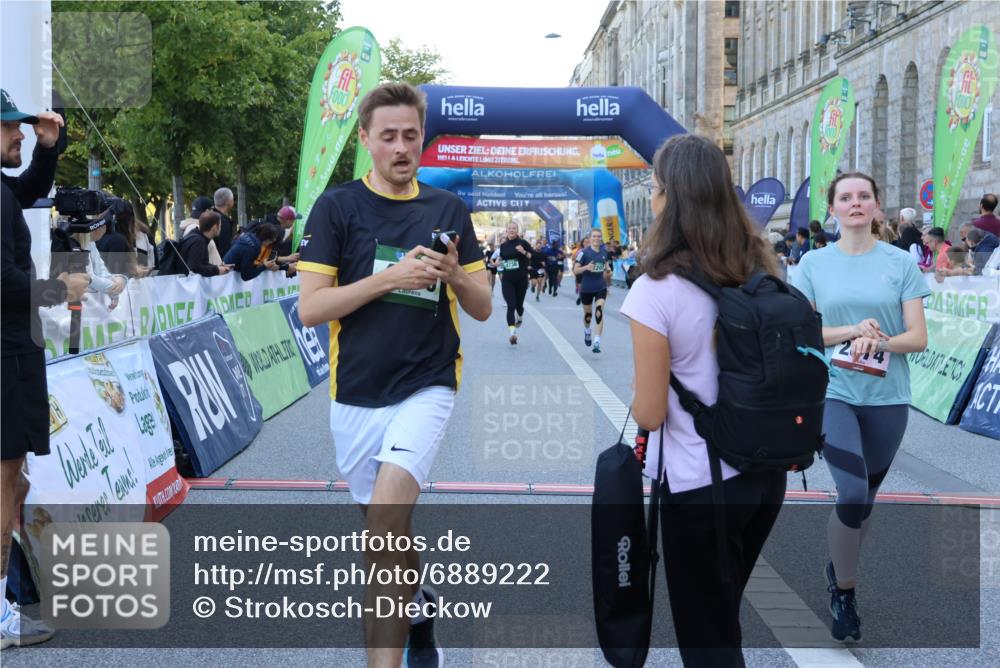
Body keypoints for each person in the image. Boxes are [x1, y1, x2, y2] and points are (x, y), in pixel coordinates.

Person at [296, 82, 490, 668]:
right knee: (388, 536)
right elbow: (311, 309)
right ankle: (419, 609)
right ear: (365, 139)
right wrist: (391, 278)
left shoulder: (447, 210)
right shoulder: (337, 208)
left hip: (427, 385)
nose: (401, 147)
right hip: (355, 394)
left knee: (382, 526)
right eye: (388, 136)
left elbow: (482, 306)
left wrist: (456, 276)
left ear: (423, 137)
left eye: (411, 135)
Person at [622, 134, 785, 667]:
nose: (652, 197)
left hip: (700, 483)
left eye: (655, 187)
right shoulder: (757, 267)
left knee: (707, 642)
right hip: (764, 472)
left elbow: (649, 414)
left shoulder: (656, 289)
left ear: (671, 198)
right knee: (722, 620)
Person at [792, 171, 929, 643]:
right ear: (832, 208)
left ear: (875, 205)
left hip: (888, 398)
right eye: (846, 197)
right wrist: (853, 331)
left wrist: (881, 341)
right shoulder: (812, 263)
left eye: (864, 196)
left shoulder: (900, 262)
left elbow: (918, 337)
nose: (855, 203)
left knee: (864, 502)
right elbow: (803, 332)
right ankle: (845, 593)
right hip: (833, 392)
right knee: (850, 492)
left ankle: (839, 567)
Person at [2, 90, 89, 649]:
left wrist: (48, 149)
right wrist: (61, 288)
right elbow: (2, 283)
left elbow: (27, 190)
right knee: (5, 484)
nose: (19, 133)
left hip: (12, 352)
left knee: (15, 483)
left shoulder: (1, 189)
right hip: (7, 356)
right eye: (9, 127)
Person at [573, 229, 612, 353]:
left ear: (601, 238)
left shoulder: (604, 252)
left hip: (600, 287)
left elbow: (606, 265)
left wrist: (608, 269)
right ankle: (587, 330)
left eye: (599, 236)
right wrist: (586, 267)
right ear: (590, 238)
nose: (596, 238)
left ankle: (597, 342)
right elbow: (575, 270)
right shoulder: (583, 253)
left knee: (599, 310)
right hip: (587, 288)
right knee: (588, 315)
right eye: (594, 236)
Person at [496, 222, 533, 345]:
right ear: (506, 230)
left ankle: (520, 316)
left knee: (519, 306)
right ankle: (512, 333)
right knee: (511, 305)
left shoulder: (523, 243)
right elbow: (501, 257)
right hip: (507, 280)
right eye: (510, 228)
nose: (512, 230)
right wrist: (498, 261)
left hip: (521, 279)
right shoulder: (503, 246)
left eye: (514, 228)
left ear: (517, 231)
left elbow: (532, 256)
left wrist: (524, 252)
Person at [179, 210, 232, 277]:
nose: (220, 228)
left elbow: (201, 264)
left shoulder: (196, 236)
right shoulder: (198, 242)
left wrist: (218, 267)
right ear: (215, 227)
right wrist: (217, 270)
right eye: (220, 226)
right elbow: (195, 268)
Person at [211, 187, 235, 258]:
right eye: (233, 199)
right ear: (228, 201)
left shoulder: (210, 216)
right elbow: (224, 248)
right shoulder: (223, 221)